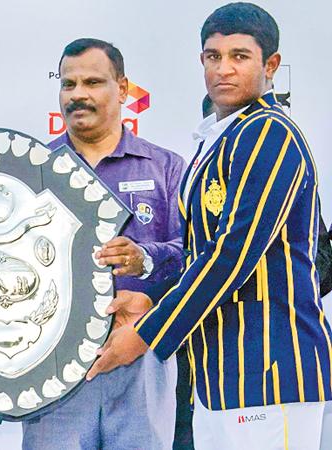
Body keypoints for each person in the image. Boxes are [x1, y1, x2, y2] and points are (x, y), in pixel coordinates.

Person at [88, 4, 332, 449]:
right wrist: (147, 297)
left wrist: (147, 334)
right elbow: (201, 252)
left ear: (271, 65)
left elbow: (233, 256)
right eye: (212, 56)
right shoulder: (219, 138)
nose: (223, 69)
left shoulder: (270, 133)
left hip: (270, 370)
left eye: (240, 56)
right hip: (220, 371)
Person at [21, 38, 185, 450]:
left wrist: (146, 266)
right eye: (68, 84)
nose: (78, 95)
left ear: (123, 89)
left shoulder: (166, 167)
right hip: (52, 362)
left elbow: (198, 256)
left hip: (141, 352)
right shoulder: (34, 172)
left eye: (93, 82)